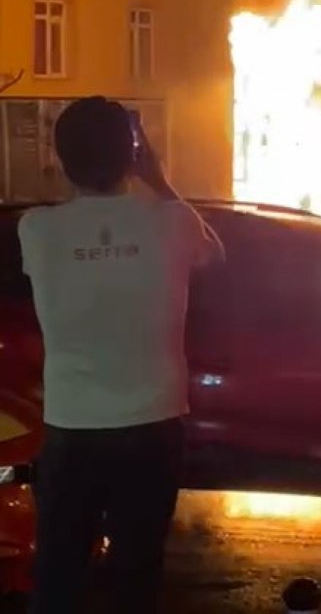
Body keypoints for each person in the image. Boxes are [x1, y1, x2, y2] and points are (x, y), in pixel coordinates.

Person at [18, 97, 224, 614]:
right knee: (137, 571)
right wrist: (158, 179)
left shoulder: (37, 230)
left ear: (60, 157)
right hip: (152, 425)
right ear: (133, 155)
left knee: (59, 570)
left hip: (71, 425)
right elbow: (216, 256)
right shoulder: (172, 222)